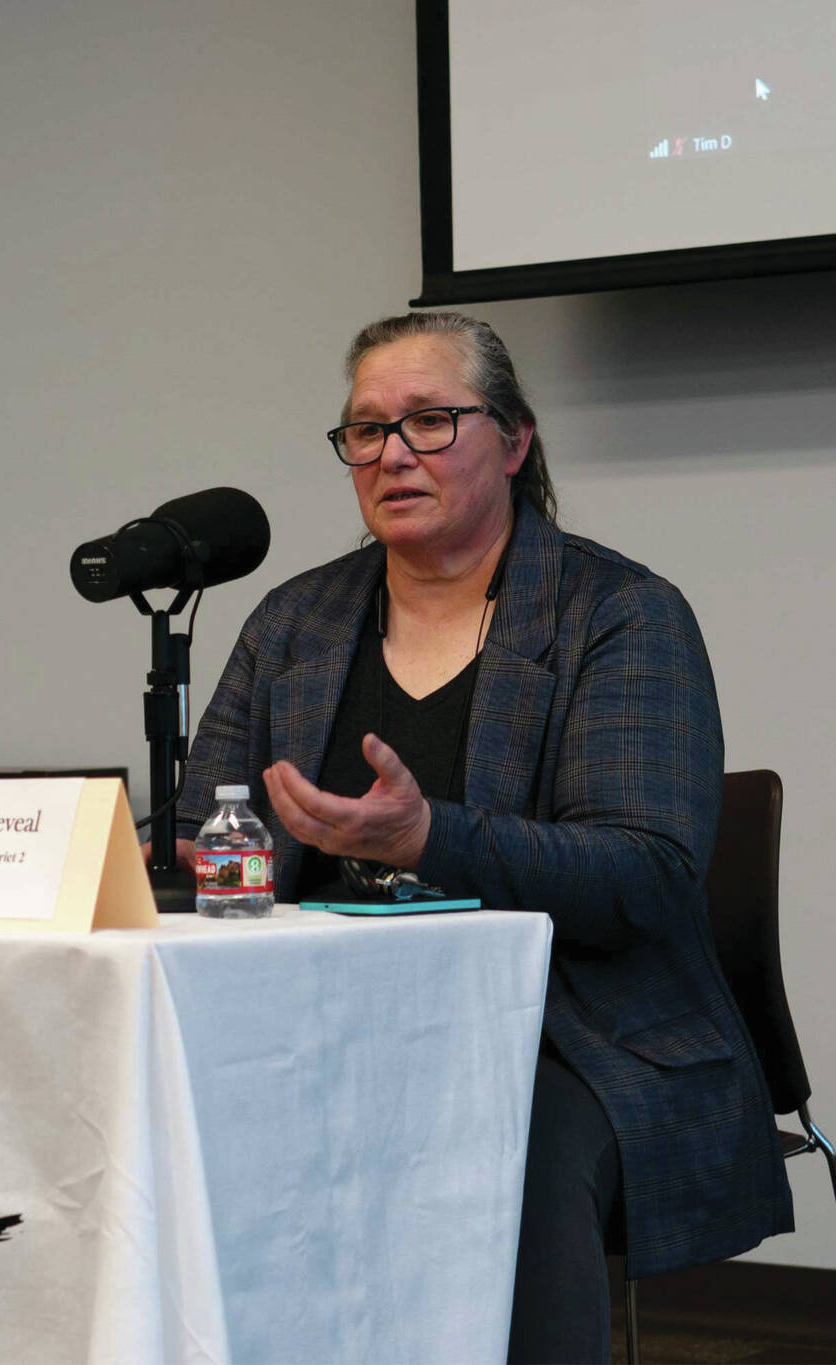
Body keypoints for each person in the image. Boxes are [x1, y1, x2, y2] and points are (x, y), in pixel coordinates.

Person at [175, 312, 790, 1363]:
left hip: (571, 1029)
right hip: (318, 1022)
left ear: (513, 443)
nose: (391, 454)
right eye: (364, 432)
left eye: (428, 421)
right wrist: (208, 863)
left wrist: (430, 838)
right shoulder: (293, 622)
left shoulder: (618, 614)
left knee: (490, 1159)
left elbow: (643, 878)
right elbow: (203, 831)